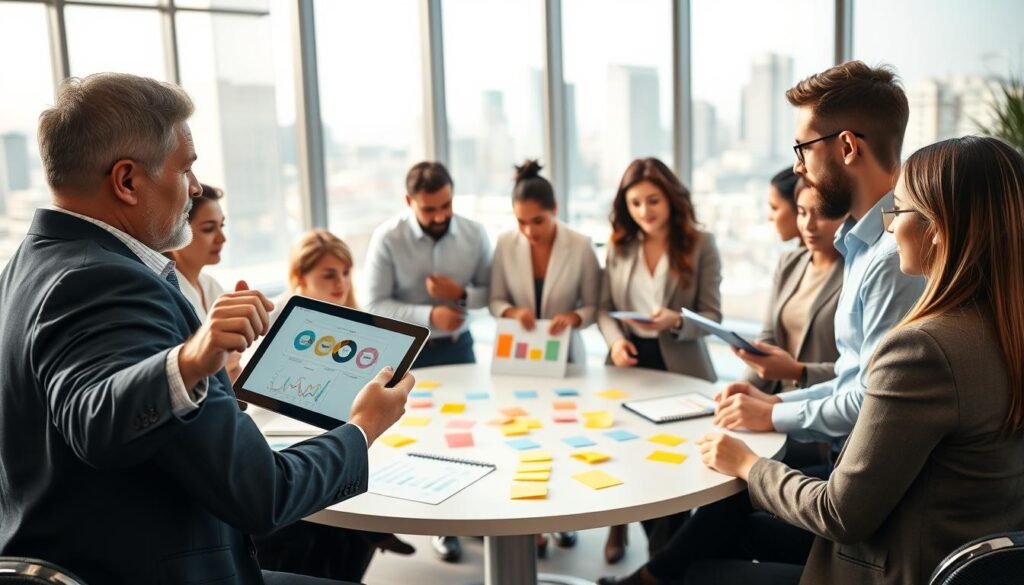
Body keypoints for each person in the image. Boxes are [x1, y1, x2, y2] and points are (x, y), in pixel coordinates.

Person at [0, 72, 413, 585]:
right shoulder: (103, 281)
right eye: (186, 168)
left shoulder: (31, 261)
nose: (195, 188)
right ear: (127, 181)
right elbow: (264, 493)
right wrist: (363, 426)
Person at [598, 60, 927, 585]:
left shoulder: (893, 256)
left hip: (870, 508)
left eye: (802, 148)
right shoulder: (862, 247)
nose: (796, 166)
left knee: (709, 552)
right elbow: (852, 380)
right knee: (722, 516)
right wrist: (772, 403)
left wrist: (771, 417)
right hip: (852, 476)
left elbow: (867, 402)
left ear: (847, 147)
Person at [699, 135, 1024, 584]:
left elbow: (840, 514)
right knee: (738, 528)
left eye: (899, 211)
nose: (890, 229)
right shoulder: (1006, 327)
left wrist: (746, 464)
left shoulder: (924, 348)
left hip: (896, 565)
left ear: (938, 226)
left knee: (702, 567)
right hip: (961, 558)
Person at [596, 157, 722, 564]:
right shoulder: (619, 245)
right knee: (624, 451)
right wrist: (616, 342)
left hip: (679, 364)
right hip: (628, 361)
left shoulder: (701, 243)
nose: (645, 212)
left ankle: (661, 555)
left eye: (653, 201)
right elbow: (603, 309)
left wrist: (677, 320)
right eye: (635, 204)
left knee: (671, 463)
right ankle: (620, 524)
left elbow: (713, 316)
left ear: (670, 198)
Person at [364, 161, 491, 563]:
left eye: (445, 206)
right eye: (429, 209)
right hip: (410, 357)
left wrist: (462, 295)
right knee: (425, 439)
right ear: (409, 201)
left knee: (469, 434)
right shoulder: (387, 238)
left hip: (461, 347)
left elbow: (492, 292)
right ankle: (444, 527)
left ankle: (476, 519)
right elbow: (373, 304)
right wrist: (430, 316)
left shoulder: (475, 233)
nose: (439, 216)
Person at [489, 159, 600, 555]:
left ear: (554, 210)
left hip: (563, 357)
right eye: (521, 222)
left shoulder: (580, 244)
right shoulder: (505, 243)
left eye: (537, 221)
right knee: (520, 439)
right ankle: (528, 524)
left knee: (562, 438)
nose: (528, 231)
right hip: (517, 358)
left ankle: (563, 519)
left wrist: (574, 316)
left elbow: (594, 304)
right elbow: (494, 299)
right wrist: (509, 312)